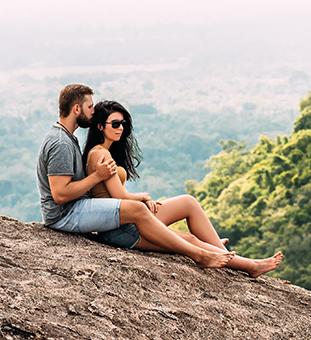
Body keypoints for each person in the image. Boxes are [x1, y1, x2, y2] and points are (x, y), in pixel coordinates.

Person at [37, 84, 270, 274]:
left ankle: (217, 250)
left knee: (186, 204)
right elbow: (60, 195)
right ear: (77, 109)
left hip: (88, 211)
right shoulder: (62, 143)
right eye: (89, 107)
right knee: (173, 231)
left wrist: (140, 197)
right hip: (66, 215)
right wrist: (99, 177)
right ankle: (210, 255)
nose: (92, 111)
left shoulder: (69, 139)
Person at [82, 99, 283, 278]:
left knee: (188, 202)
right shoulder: (101, 155)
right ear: (100, 126)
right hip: (119, 229)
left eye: (123, 124)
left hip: (129, 218)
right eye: (115, 124)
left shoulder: (103, 152)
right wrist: (142, 197)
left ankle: (217, 248)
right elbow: (119, 195)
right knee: (190, 240)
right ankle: (250, 265)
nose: (121, 128)